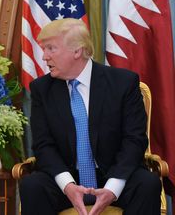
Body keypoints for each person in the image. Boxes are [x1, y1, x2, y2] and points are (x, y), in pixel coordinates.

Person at [19, 18, 161, 215]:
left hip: (113, 173)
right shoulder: (42, 89)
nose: (44, 57)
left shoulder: (123, 83)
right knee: (33, 185)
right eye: (44, 49)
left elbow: (134, 140)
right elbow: (43, 145)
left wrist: (112, 189)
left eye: (51, 49)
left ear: (77, 51)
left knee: (147, 184)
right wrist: (68, 185)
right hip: (67, 177)